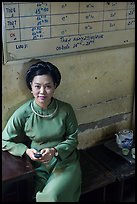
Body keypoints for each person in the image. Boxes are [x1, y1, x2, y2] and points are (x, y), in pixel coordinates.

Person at [2, 61, 81, 202]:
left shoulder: (66, 109)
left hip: (65, 162)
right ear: (31, 87)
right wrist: (26, 151)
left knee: (51, 196)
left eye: (48, 86)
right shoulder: (23, 113)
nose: (42, 92)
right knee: (35, 197)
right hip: (38, 165)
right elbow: (4, 141)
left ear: (55, 86)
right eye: (37, 86)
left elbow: (73, 139)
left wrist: (55, 151)